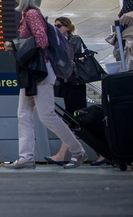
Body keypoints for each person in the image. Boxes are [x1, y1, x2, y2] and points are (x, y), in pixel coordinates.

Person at [2, 0, 87, 169]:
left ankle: (78, 151)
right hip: (33, 73)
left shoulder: (32, 14)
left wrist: (15, 45)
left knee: (46, 115)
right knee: (23, 114)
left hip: (40, 71)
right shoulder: (28, 15)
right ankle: (26, 157)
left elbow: (41, 40)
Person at [44, 17, 87, 166]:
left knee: (73, 119)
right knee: (73, 119)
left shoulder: (74, 39)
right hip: (65, 84)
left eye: (59, 26)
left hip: (75, 84)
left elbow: (65, 55)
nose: (56, 28)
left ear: (67, 27)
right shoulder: (58, 41)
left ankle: (63, 154)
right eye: (54, 26)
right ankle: (65, 154)